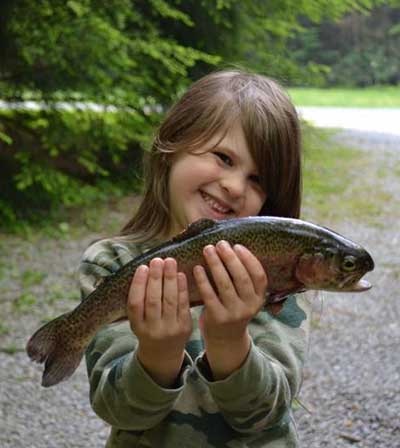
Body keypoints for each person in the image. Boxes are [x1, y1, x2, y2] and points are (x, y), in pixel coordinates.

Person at [78, 69, 311, 447]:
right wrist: (156, 353)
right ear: (172, 144)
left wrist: (230, 341)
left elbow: (266, 415)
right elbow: (117, 410)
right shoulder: (112, 264)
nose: (235, 187)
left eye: (258, 180)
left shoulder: (277, 276)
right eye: (223, 157)